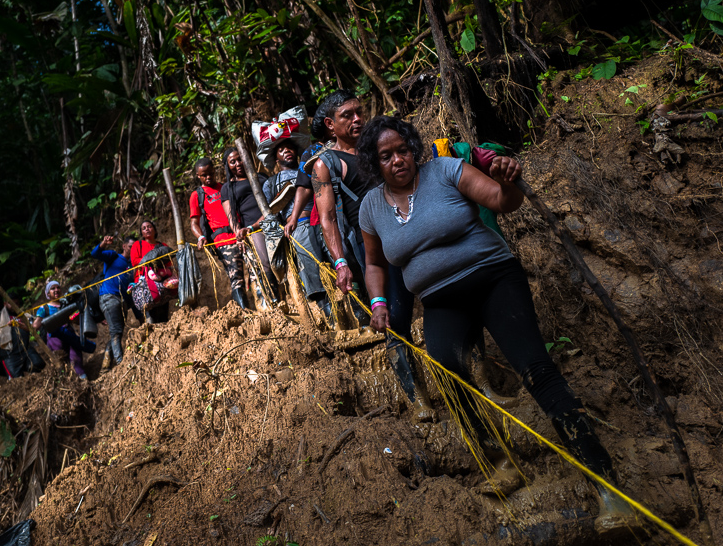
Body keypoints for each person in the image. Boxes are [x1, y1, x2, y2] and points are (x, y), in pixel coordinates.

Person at [356, 116, 636, 535]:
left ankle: (606, 484)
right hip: (440, 301)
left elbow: (500, 200)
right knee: (450, 375)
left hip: (494, 279)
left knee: (536, 370)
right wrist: (378, 302)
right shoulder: (371, 208)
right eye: (386, 155)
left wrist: (506, 181)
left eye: (403, 149)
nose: (398, 159)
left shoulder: (446, 170)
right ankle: (501, 462)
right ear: (373, 163)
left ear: (414, 148)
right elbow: (374, 263)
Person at [310, 90, 431, 420]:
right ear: (330, 125)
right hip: (374, 248)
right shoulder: (326, 165)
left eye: (359, 112)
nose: (357, 119)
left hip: (412, 232)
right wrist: (340, 262)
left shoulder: (376, 146)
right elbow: (328, 218)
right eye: (347, 115)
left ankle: (476, 382)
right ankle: (415, 398)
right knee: (393, 318)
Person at [261, 138, 330, 318]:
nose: (287, 151)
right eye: (281, 149)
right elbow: (268, 212)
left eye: (290, 148)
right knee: (310, 270)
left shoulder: (310, 168)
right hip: (299, 226)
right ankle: (327, 311)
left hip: (326, 220)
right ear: (275, 159)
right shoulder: (271, 182)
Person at [220, 147, 280, 309]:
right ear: (227, 165)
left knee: (280, 263)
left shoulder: (261, 177)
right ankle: (273, 301)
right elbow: (231, 215)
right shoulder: (227, 188)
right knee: (265, 263)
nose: (238, 163)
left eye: (240, 159)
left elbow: (274, 201)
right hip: (252, 229)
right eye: (233, 161)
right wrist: (239, 233)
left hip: (272, 223)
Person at [189, 158, 249, 308]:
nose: (208, 177)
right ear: (198, 176)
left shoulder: (225, 187)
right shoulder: (197, 195)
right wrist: (201, 237)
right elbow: (194, 223)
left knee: (256, 271)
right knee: (236, 277)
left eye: (211, 173)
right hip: (222, 241)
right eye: (204, 175)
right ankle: (246, 312)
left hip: (241, 235)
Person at [91, 235, 137, 372]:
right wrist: (104, 243)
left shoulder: (132, 265)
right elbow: (95, 253)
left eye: (135, 247)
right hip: (109, 296)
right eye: (130, 247)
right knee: (116, 331)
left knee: (118, 331)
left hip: (122, 300)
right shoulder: (114, 256)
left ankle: (105, 364)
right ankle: (120, 362)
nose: (132, 249)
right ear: (124, 246)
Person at [32, 281, 93, 380]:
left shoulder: (66, 303)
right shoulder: (44, 308)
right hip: (54, 339)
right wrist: (22, 325)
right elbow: (35, 326)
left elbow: (76, 321)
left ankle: (84, 380)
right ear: (48, 293)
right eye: (53, 288)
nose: (56, 290)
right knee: (62, 363)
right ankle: (68, 384)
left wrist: (76, 316)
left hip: (69, 335)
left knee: (76, 357)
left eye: (58, 287)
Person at [0, 289, 46, 379]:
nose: (15, 306)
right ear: (5, 304)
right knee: (16, 380)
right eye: (12, 303)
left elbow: (34, 326)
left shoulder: (23, 315)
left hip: (26, 349)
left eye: (17, 303)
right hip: (9, 355)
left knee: (38, 365)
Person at [130, 221, 176, 323]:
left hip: (162, 281)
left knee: (163, 313)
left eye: (149, 227)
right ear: (142, 233)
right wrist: (150, 261)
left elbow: (169, 263)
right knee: (150, 314)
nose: (147, 229)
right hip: (145, 283)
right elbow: (134, 261)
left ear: (154, 230)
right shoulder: (138, 245)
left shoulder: (163, 245)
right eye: (144, 228)